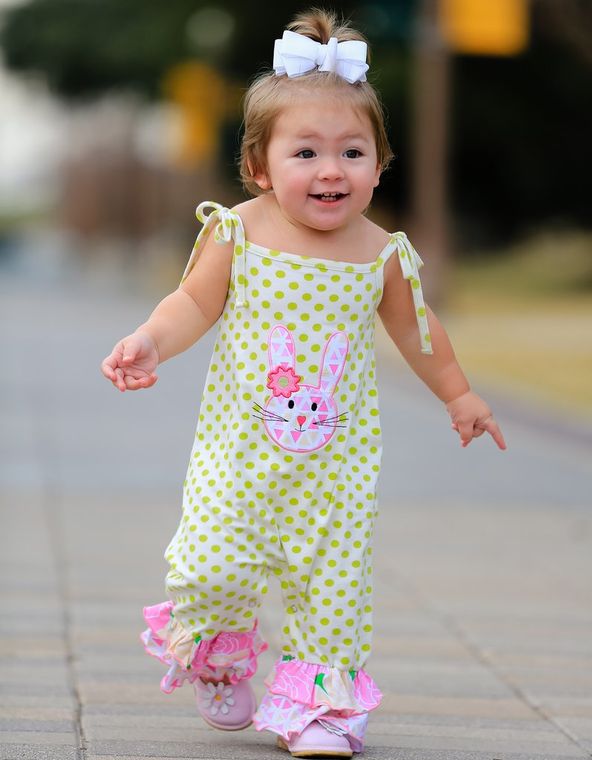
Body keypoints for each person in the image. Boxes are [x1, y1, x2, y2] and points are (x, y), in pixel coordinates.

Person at [101, 8, 506, 758]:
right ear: (259, 166)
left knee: (333, 592)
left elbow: (419, 332)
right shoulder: (239, 231)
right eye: (307, 152)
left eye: (353, 152)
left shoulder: (382, 252)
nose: (331, 170)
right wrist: (151, 341)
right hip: (239, 459)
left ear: (380, 164)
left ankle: (319, 713)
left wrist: (460, 394)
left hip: (336, 472)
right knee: (210, 568)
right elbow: (193, 302)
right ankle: (220, 655)